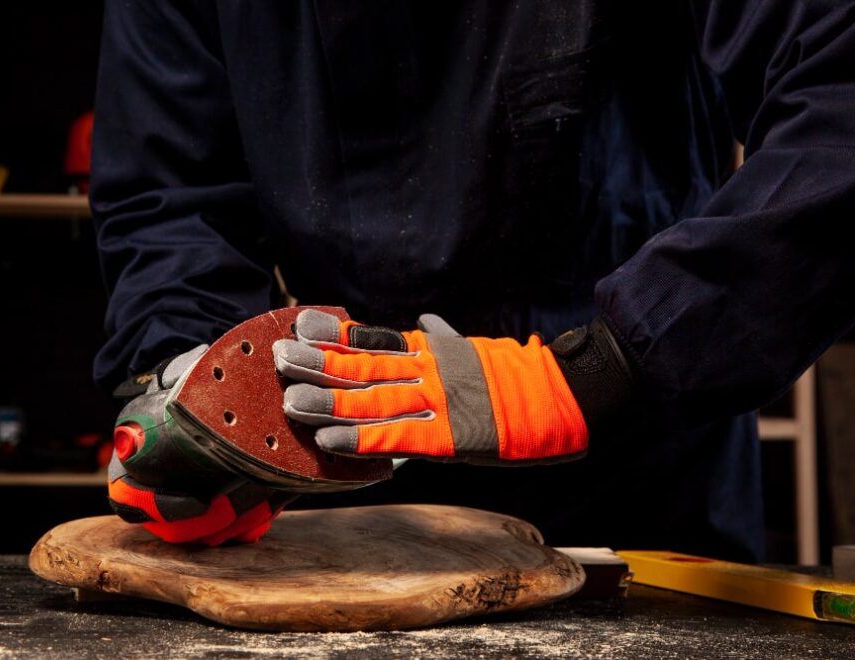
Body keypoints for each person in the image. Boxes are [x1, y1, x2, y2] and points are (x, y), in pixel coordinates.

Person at [91, 0, 855, 561]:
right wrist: (190, 379)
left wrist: (600, 371)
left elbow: (840, 99)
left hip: (644, 468)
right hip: (352, 477)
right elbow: (171, 198)